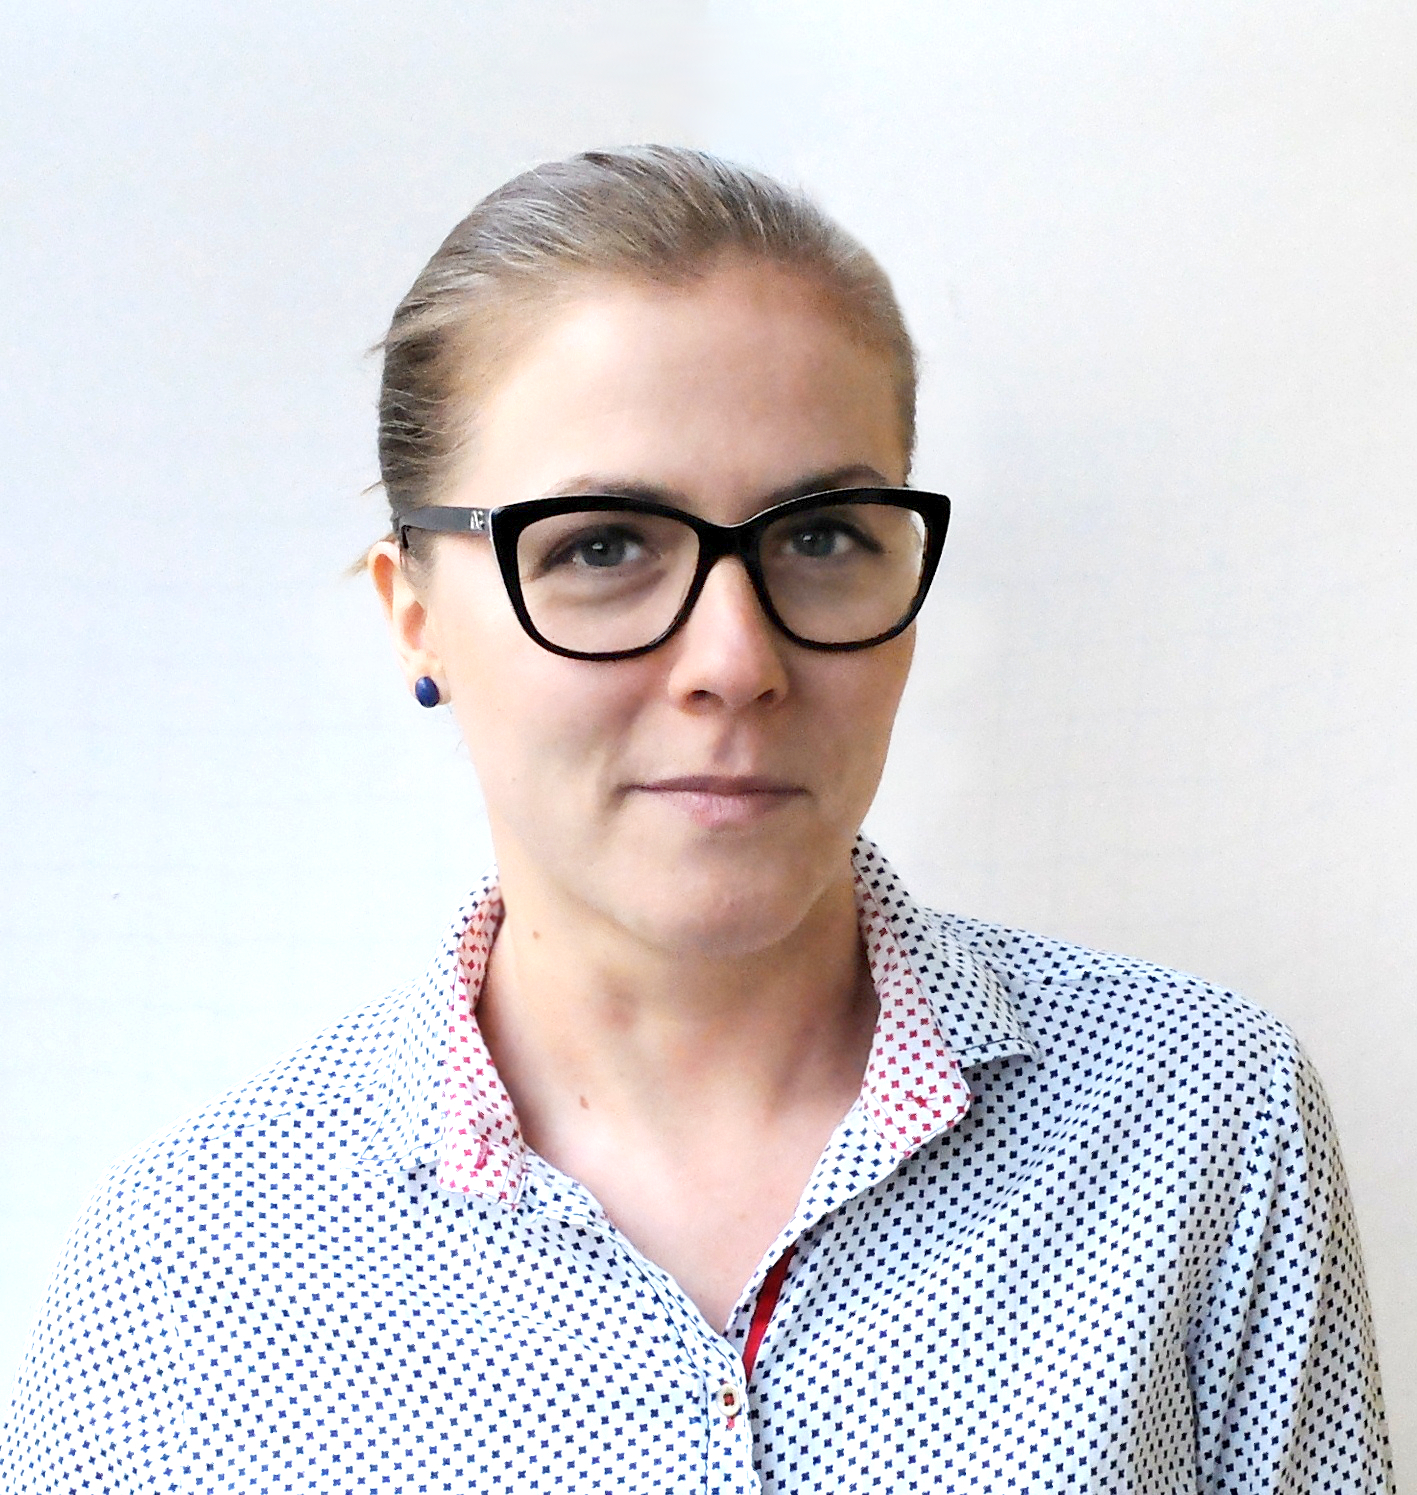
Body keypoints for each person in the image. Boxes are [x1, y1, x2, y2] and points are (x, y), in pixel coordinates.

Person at [1, 146, 1392, 1493]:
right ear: (413, 614)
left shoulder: (1205, 1120)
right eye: (602, 546)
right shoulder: (182, 1279)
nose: (735, 659)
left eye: (820, 537)